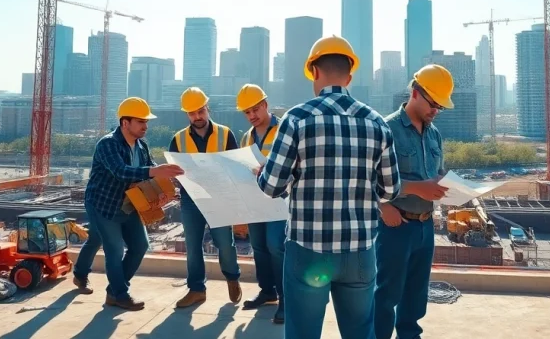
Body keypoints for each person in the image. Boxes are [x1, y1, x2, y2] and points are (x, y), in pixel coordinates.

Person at [257, 35, 401, 339]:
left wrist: (267, 171)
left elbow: (271, 187)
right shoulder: (377, 124)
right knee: (361, 332)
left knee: (303, 333)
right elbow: (390, 191)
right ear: (349, 76)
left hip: (308, 250)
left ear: (314, 73)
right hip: (360, 252)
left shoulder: (296, 119)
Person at [74, 97, 185, 310]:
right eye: (141, 121)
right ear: (125, 123)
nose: (146, 126)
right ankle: (119, 294)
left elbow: (150, 172)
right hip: (103, 204)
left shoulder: (141, 146)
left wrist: (163, 188)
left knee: (140, 245)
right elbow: (120, 171)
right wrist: (154, 171)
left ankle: (106, 286)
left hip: (129, 204)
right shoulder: (107, 144)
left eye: (146, 122)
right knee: (114, 250)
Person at [374, 65, 454, 339]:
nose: (436, 111)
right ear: (416, 93)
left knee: (416, 293)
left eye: (440, 107)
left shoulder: (434, 135)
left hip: (424, 226)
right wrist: (383, 206)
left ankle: (409, 335)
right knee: (386, 293)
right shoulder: (387, 129)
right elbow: (368, 180)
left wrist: (448, 185)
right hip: (395, 225)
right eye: (433, 104)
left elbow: (436, 174)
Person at [171, 86, 244, 309]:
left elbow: (236, 166)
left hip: (219, 198)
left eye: (200, 111)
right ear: (187, 114)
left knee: (225, 244)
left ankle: (232, 277)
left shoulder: (225, 133)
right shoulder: (178, 139)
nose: (197, 116)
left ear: (207, 108)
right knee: (193, 247)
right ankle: (196, 290)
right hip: (191, 200)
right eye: (192, 113)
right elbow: (176, 171)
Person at [236, 83, 286, 324]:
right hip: (255, 201)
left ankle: (286, 300)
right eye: (247, 112)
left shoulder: (285, 129)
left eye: (255, 109)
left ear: (266, 105)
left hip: (279, 200)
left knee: (277, 246)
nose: (252, 116)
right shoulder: (247, 136)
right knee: (259, 247)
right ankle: (268, 291)